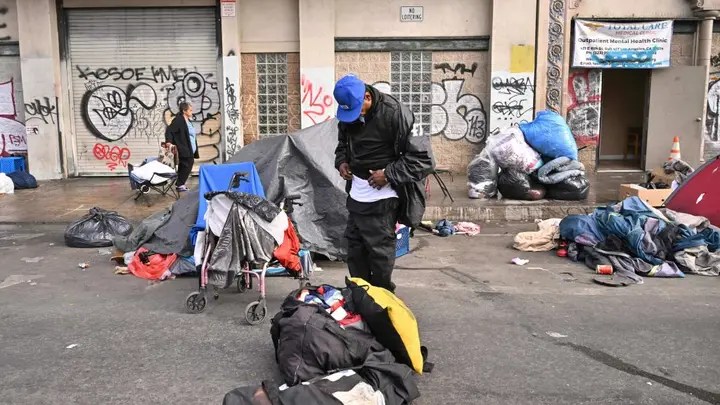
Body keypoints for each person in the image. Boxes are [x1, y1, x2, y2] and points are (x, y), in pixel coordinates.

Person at [333, 74, 434, 292]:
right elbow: (342, 144)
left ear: (367, 97)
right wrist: (342, 162)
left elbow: (424, 159)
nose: (352, 117)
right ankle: (361, 294)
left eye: (356, 110)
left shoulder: (396, 114)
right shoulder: (349, 116)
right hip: (357, 195)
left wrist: (388, 174)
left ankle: (381, 298)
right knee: (355, 248)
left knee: (379, 250)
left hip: (384, 196)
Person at [165, 102, 199, 192]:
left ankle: (180, 184)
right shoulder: (178, 120)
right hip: (184, 148)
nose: (192, 112)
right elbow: (169, 130)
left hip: (189, 148)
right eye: (190, 110)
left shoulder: (187, 120)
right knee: (187, 164)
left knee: (184, 166)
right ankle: (180, 184)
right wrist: (168, 142)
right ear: (184, 111)